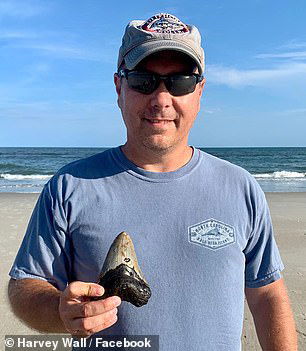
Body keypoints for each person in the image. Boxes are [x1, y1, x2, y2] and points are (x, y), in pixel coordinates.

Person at [8, 13, 297, 350]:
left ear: (199, 91)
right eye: (144, 80)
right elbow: (25, 285)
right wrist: (59, 310)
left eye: (180, 82)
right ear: (119, 86)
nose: (161, 100)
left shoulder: (241, 188)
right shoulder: (70, 187)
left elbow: (266, 295)